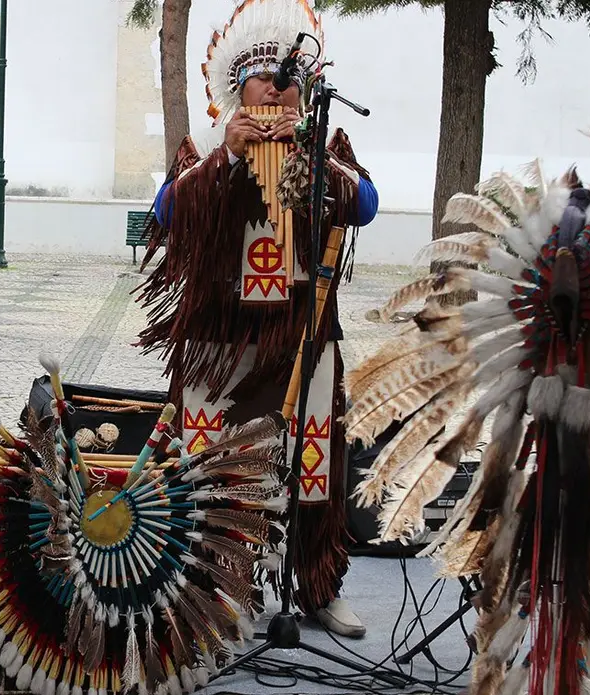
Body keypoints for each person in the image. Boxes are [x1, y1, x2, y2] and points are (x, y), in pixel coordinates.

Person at [136, 0, 379, 638]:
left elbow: (367, 205)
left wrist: (313, 158)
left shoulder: (323, 143)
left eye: (288, 81)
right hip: (220, 342)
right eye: (263, 82)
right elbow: (164, 216)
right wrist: (230, 160)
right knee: (208, 466)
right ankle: (212, 585)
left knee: (314, 466)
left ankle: (318, 585)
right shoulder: (206, 151)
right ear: (237, 90)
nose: (277, 92)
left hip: (303, 336)